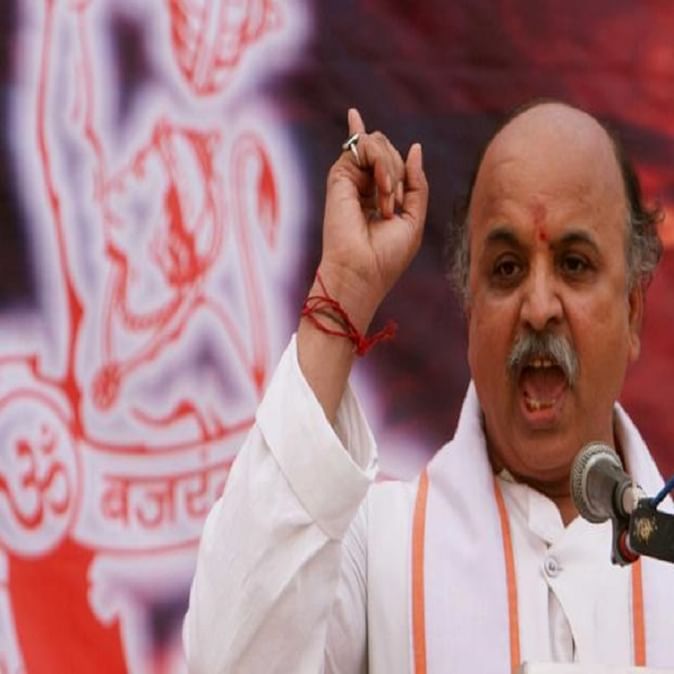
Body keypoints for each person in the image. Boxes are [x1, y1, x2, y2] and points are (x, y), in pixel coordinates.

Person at [182, 101, 674, 673]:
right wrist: (342, 292)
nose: (539, 307)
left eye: (574, 264)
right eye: (507, 268)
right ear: (470, 309)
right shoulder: (378, 546)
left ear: (632, 312)